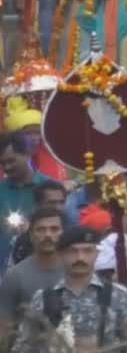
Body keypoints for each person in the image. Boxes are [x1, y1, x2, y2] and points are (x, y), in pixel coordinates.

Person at [11, 227, 127, 352]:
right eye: (73, 251)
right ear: (60, 255)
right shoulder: (43, 300)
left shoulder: (119, 297)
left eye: (87, 251)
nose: (80, 258)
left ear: (96, 254)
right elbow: (23, 348)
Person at [0, 208, 64, 336]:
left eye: (54, 229)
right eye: (40, 230)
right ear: (30, 236)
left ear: (64, 233)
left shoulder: (78, 271)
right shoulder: (15, 277)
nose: (48, 235)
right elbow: (4, 329)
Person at [0, 132, 58, 271]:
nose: (7, 167)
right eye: (2, 163)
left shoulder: (50, 188)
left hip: (42, 269)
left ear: (28, 154)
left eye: (11, 160)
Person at [7, 181, 67, 268]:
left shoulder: (73, 235)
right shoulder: (21, 241)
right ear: (38, 205)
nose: (58, 207)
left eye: (61, 202)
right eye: (52, 203)